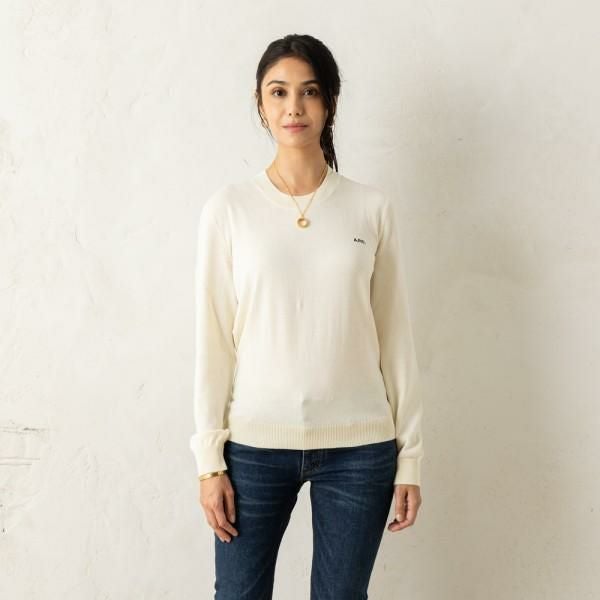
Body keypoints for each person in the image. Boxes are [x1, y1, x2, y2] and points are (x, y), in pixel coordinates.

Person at [190, 33, 424, 599]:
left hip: (360, 450)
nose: (293, 107)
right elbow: (213, 341)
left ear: (330, 102)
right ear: (260, 103)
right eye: (279, 92)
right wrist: (209, 461)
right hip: (253, 447)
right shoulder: (229, 210)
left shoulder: (371, 208)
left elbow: (395, 338)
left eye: (309, 91)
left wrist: (411, 458)